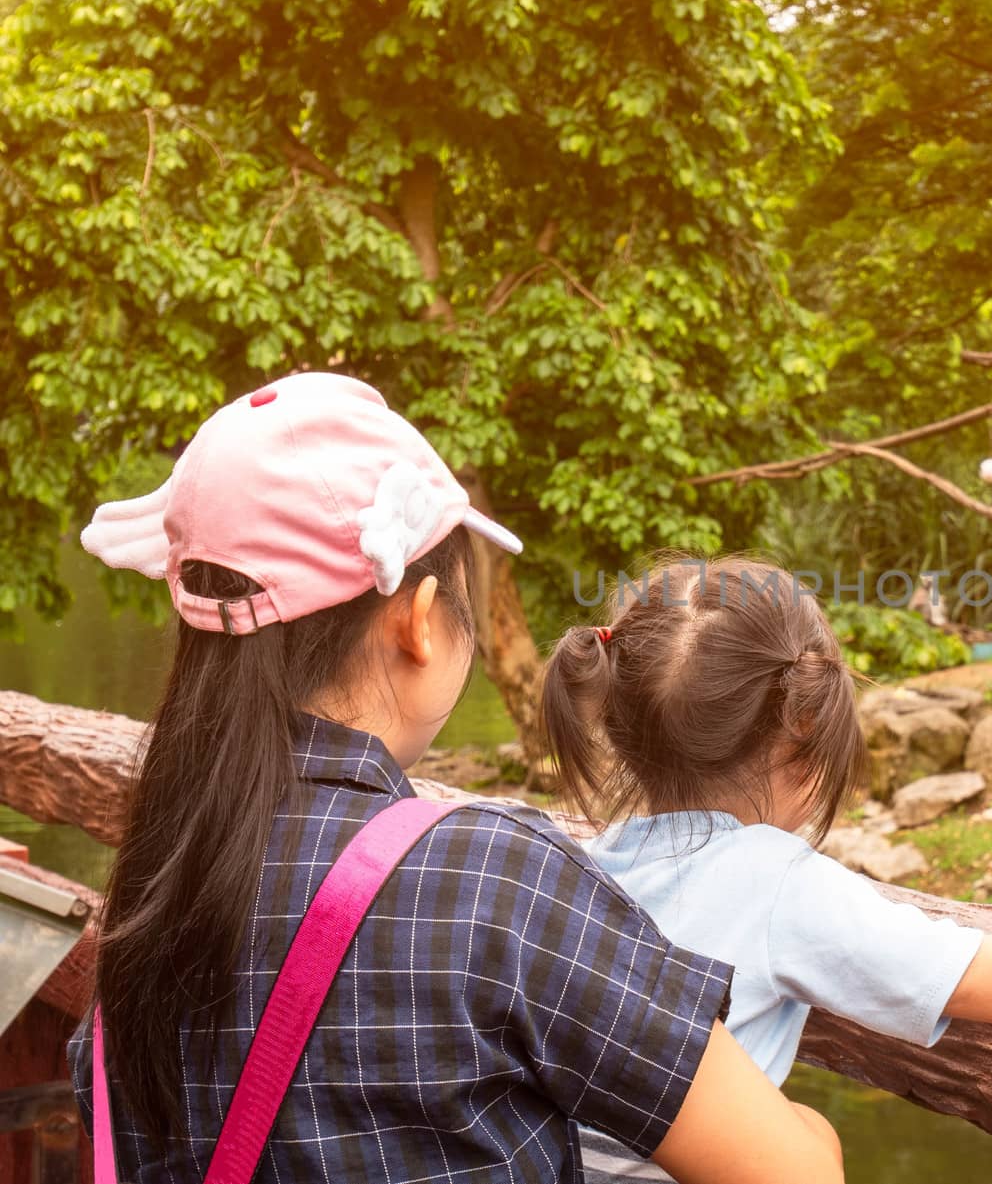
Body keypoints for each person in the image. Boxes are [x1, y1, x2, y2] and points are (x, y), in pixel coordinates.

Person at [68, 376, 843, 1184]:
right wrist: (814, 1127)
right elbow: (793, 1172)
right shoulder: (493, 879)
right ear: (420, 617)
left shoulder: (149, 898)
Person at [542, 556, 992, 1181]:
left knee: (810, 1131)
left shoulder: (586, 867)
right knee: (812, 1138)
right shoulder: (774, 878)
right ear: (806, 735)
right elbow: (953, 968)